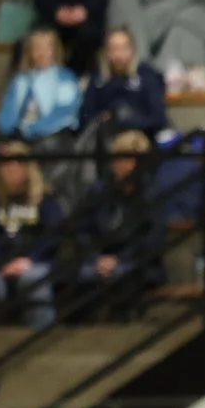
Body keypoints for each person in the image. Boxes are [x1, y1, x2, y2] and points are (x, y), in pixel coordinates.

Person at [71, 129, 166, 318]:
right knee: (76, 276)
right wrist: (97, 257)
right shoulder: (98, 191)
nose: (125, 166)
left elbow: (152, 239)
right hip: (98, 260)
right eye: (120, 159)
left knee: (123, 275)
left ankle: (121, 324)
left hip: (137, 262)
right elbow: (82, 230)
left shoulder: (151, 194)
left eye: (131, 160)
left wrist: (119, 258)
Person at [0, 143, 64, 331]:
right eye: (6, 163)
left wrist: (29, 260)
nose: (12, 167)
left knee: (33, 280)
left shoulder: (46, 199)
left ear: (29, 167)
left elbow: (52, 235)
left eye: (19, 162)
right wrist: (0, 262)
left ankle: (42, 337)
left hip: (36, 261)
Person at [0, 28, 84, 144]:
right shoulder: (20, 80)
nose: (41, 53)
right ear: (29, 52)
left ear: (55, 51)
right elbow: (7, 110)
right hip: (18, 135)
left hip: (50, 135)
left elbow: (63, 113)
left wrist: (31, 130)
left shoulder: (64, 78)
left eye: (47, 48)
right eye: (37, 48)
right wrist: (9, 132)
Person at [80, 27, 169, 136]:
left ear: (132, 49)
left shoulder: (147, 76)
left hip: (140, 136)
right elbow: (84, 117)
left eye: (124, 47)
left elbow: (158, 118)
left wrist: (128, 122)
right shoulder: (98, 81)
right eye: (114, 48)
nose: (119, 54)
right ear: (106, 52)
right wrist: (102, 119)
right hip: (106, 137)